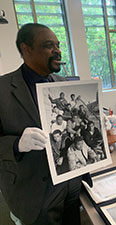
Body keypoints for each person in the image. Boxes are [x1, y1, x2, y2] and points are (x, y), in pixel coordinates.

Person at [0, 23, 82, 225]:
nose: (58, 51)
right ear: (26, 49)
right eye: (48, 45)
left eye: (58, 45)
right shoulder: (2, 89)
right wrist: (16, 144)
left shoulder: (62, 82)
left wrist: (93, 122)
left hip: (70, 181)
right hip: (33, 189)